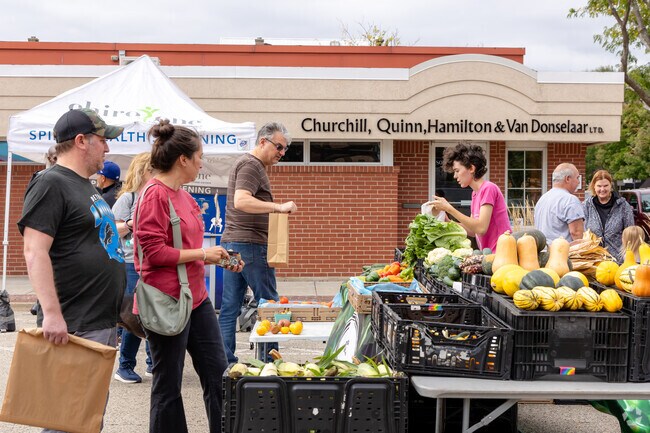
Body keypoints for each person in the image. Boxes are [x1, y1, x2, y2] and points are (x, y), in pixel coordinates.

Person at [17, 108, 125, 433]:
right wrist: (51, 314)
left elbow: (89, 237)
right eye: (103, 140)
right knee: (66, 421)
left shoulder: (85, 186)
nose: (107, 149)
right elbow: (35, 251)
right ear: (81, 141)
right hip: (74, 324)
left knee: (86, 419)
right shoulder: (51, 183)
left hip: (98, 320)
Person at [134, 119, 243, 433]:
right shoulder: (154, 195)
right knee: (168, 386)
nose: (201, 163)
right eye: (199, 157)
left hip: (197, 300)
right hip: (166, 301)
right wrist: (202, 255)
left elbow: (190, 244)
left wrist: (217, 256)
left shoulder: (182, 194)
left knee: (219, 375)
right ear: (183, 159)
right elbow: (154, 253)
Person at [219, 122, 298, 363]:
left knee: (230, 307)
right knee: (269, 304)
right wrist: (278, 207)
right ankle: (269, 362)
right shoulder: (251, 166)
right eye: (278, 147)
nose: (281, 153)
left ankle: (225, 363)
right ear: (262, 141)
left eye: (284, 149)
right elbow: (241, 200)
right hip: (250, 245)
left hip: (234, 243)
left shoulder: (249, 164)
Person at [112, 152, 153, 383]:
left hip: (150, 263)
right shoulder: (128, 198)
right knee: (131, 316)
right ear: (142, 171)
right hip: (129, 262)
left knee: (149, 314)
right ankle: (125, 365)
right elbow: (110, 230)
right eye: (153, 169)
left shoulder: (157, 196)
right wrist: (130, 223)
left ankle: (151, 363)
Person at [429, 142, 511, 252]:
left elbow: (481, 228)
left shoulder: (489, 188)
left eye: (457, 171)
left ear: (471, 168)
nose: (455, 176)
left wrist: (449, 209)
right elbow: (472, 231)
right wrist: (448, 222)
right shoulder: (475, 194)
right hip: (489, 256)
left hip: (502, 254)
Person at [583, 170, 634, 262]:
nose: (602, 189)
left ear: (611, 186)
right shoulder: (587, 205)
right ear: (594, 186)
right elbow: (584, 233)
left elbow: (630, 234)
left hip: (618, 260)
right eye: (599, 186)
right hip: (594, 260)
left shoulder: (622, 205)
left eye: (606, 186)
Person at [534, 163, 585, 244]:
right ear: (567, 179)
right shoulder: (570, 200)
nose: (578, 182)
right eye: (577, 178)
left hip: (543, 252)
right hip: (563, 253)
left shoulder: (542, 199)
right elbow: (576, 233)